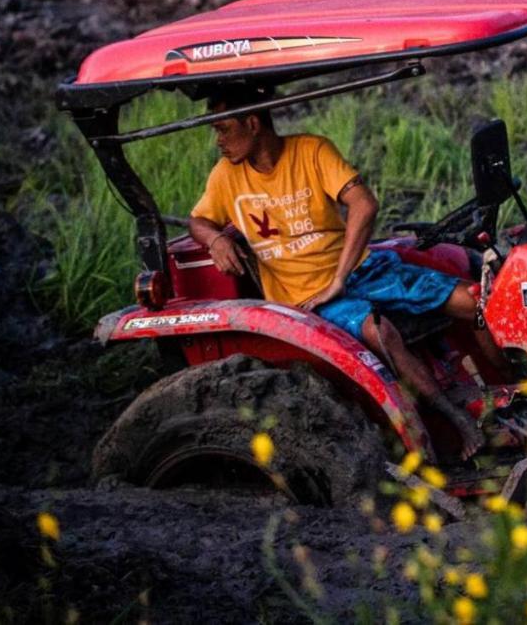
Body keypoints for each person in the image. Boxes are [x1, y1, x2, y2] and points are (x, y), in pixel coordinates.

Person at [188, 86, 508, 459]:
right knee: (379, 330)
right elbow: (198, 220)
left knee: (478, 300)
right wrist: (215, 240)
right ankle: (458, 422)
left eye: (224, 129)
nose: (219, 141)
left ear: (253, 123)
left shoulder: (311, 151)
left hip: (360, 271)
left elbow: (364, 204)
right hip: (309, 301)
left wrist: (340, 279)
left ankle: (515, 392)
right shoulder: (226, 176)